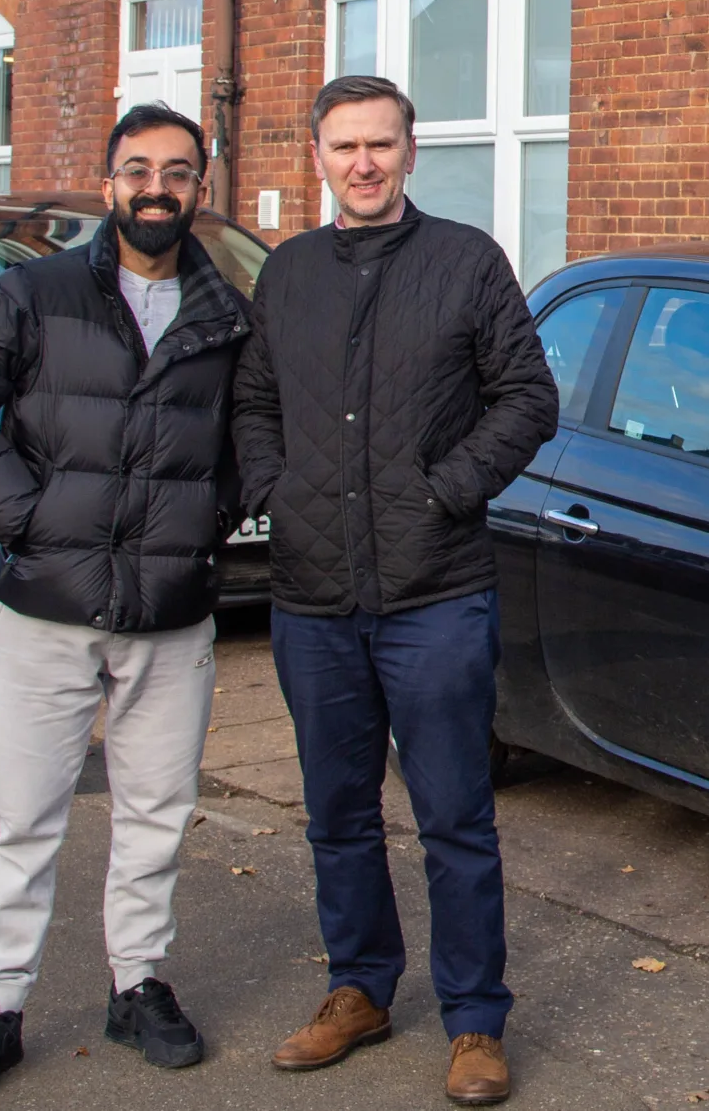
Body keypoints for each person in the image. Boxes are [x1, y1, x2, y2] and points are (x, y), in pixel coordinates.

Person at [0, 105, 252, 1100]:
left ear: (200, 186)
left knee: (157, 809)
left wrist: (204, 522)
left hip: (170, 614)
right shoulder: (36, 292)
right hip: (46, 609)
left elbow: (250, 440)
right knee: (27, 819)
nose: (158, 187)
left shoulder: (227, 313)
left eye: (178, 171)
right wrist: (25, 513)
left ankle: (137, 982)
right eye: (138, 168)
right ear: (109, 183)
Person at [233, 74, 558, 1107]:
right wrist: (272, 488)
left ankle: (473, 1019)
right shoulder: (285, 273)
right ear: (317, 155)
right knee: (338, 811)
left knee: (455, 814)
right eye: (344, 145)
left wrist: (448, 488)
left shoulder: (465, 262)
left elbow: (527, 396)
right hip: (313, 596)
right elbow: (253, 398)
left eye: (380, 143)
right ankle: (359, 988)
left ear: (411, 152)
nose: (362, 162)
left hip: (436, 593)